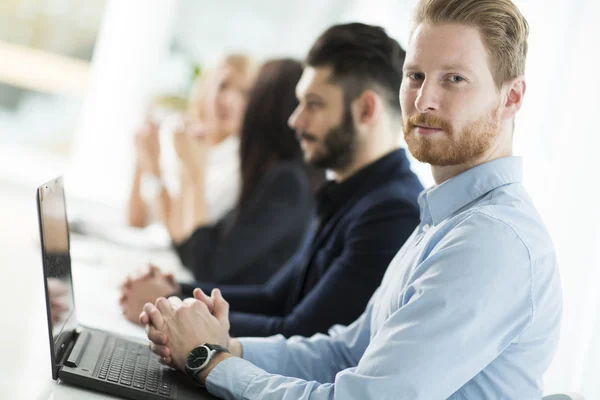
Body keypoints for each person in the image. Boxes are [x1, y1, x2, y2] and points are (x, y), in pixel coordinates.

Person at [141, 2, 563, 398]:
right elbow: (343, 352)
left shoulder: (490, 240)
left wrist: (209, 359)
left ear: (511, 98)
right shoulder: (441, 219)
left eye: (454, 78)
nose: (423, 100)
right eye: (415, 76)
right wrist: (226, 346)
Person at [120, 23, 424, 338]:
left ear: (365, 110)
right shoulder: (348, 194)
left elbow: (300, 333)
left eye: (314, 104)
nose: (295, 120)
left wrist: (171, 306)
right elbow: (275, 298)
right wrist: (176, 290)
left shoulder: (391, 211)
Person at [120, 59, 317, 322]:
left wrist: (169, 294)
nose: (236, 103)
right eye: (224, 88)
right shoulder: (268, 175)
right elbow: (191, 246)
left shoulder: (285, 182)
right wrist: (169, 287)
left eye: (248, 95)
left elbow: (206, 265)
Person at [127, 54, 255, 244]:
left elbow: (181, 238)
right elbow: (135, 222)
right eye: (222, 86)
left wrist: (154, 171)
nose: (229, 100)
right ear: (205, 89)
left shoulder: (239, 164)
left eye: (244, 93)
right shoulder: (174, 131)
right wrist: (141, 160)